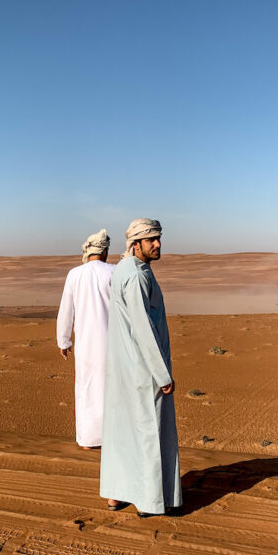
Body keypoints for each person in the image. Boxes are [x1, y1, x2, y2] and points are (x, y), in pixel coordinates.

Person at [100, 218, 181, 517]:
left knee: (124, 432)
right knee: (149, 432)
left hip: (126, 366)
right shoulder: (134, 275)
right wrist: (162, 374)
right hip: (142, 369)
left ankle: (117, 493)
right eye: (151, 240)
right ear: (136, 244)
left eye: (159, 238)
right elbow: (143, 328)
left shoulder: (125, 269)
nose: (158, 244)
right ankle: (149, 501)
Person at [56, 229, 115, 449]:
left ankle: (88, 439)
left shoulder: (74, 274)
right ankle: (112, 437)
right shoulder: (115, 272)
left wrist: (64, 341)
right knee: (112, 389)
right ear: (105, 250)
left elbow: (66, 311)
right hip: (113, 343)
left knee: (87, 388)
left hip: (85, 345)